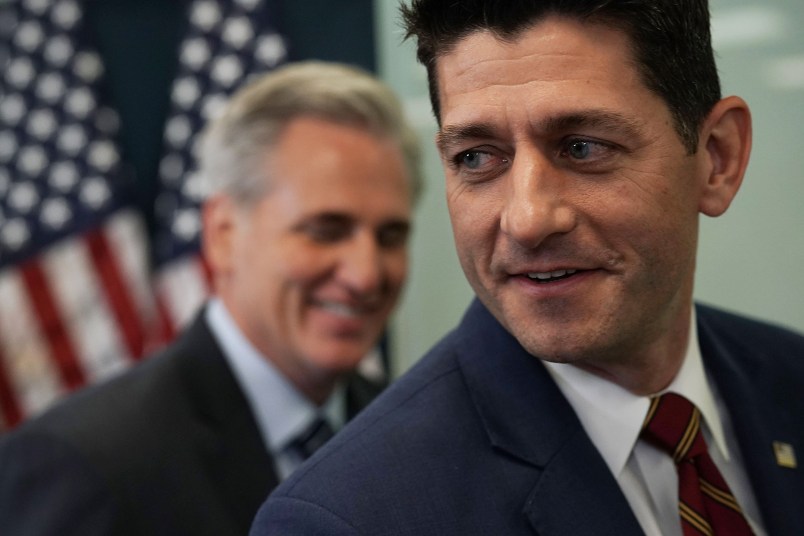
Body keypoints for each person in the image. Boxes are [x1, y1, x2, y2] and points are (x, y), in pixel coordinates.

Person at [249, 2, 804, 535]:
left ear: (717, 158)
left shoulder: (789, 376)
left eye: (582, 147)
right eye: (477, 157)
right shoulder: (347, 518)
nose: (528, 218)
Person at [0, 61, 421, 536]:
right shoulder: (86, 464)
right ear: (223, 234)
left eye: (390, 236)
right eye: (325, 231)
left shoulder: (413, 440)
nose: (365, 275)